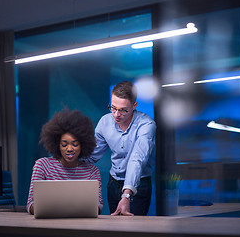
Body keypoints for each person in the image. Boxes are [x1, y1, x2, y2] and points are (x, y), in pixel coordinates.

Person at [87, 81, 156, 216]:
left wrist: (126, 195)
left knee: (134, 230)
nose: (116, 114)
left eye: (123, 110)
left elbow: (137, 158)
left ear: (134, 106)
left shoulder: (146, 125)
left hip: (139, 185)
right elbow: (92, 155)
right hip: (113, 183)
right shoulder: (105, 122)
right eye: (113, 108)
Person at [27, 108, 103, 215]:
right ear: (57, 145)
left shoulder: (92, 171)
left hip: (82, 226)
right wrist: (46, 210)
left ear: (83, 145)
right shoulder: (42, 165)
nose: (69, 148)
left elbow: (98, 206)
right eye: (64, 144)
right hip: (49, 224)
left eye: (75, 144)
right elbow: (30, 203)